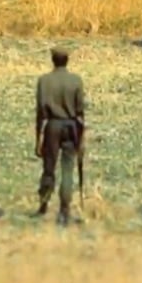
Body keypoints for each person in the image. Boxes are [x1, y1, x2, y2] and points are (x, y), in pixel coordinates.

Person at [34, 46, 87, 226]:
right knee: (67, 169)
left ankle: (44, 203)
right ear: (67, 60)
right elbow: (80, 111)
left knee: (49, 168)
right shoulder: (76, 81)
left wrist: (38, 138)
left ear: (52, 60)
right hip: (72, 125)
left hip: (53, 126)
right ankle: (65, 210)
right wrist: (81, 137)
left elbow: (40, 112)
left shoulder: (44, 81)